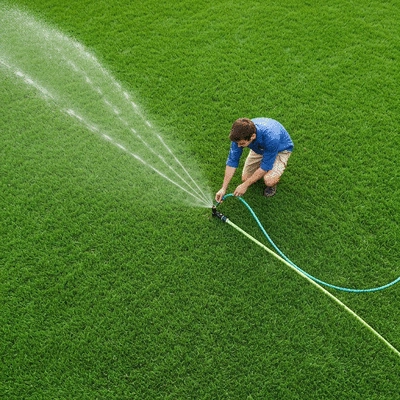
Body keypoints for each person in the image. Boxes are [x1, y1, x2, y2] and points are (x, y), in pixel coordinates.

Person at [215, 117, 294, 203]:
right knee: (246, 178)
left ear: (253, 136)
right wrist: (223, 188)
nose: (238, 146)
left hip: (280, 149)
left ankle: (272, 184)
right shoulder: (239, 136)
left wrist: (245, 186)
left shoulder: (272, 137)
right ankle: (259, 171)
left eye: (242, 144)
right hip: (259, 148)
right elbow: (232, 161)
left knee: (269, 180)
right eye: (237, 143)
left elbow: (265, 166)